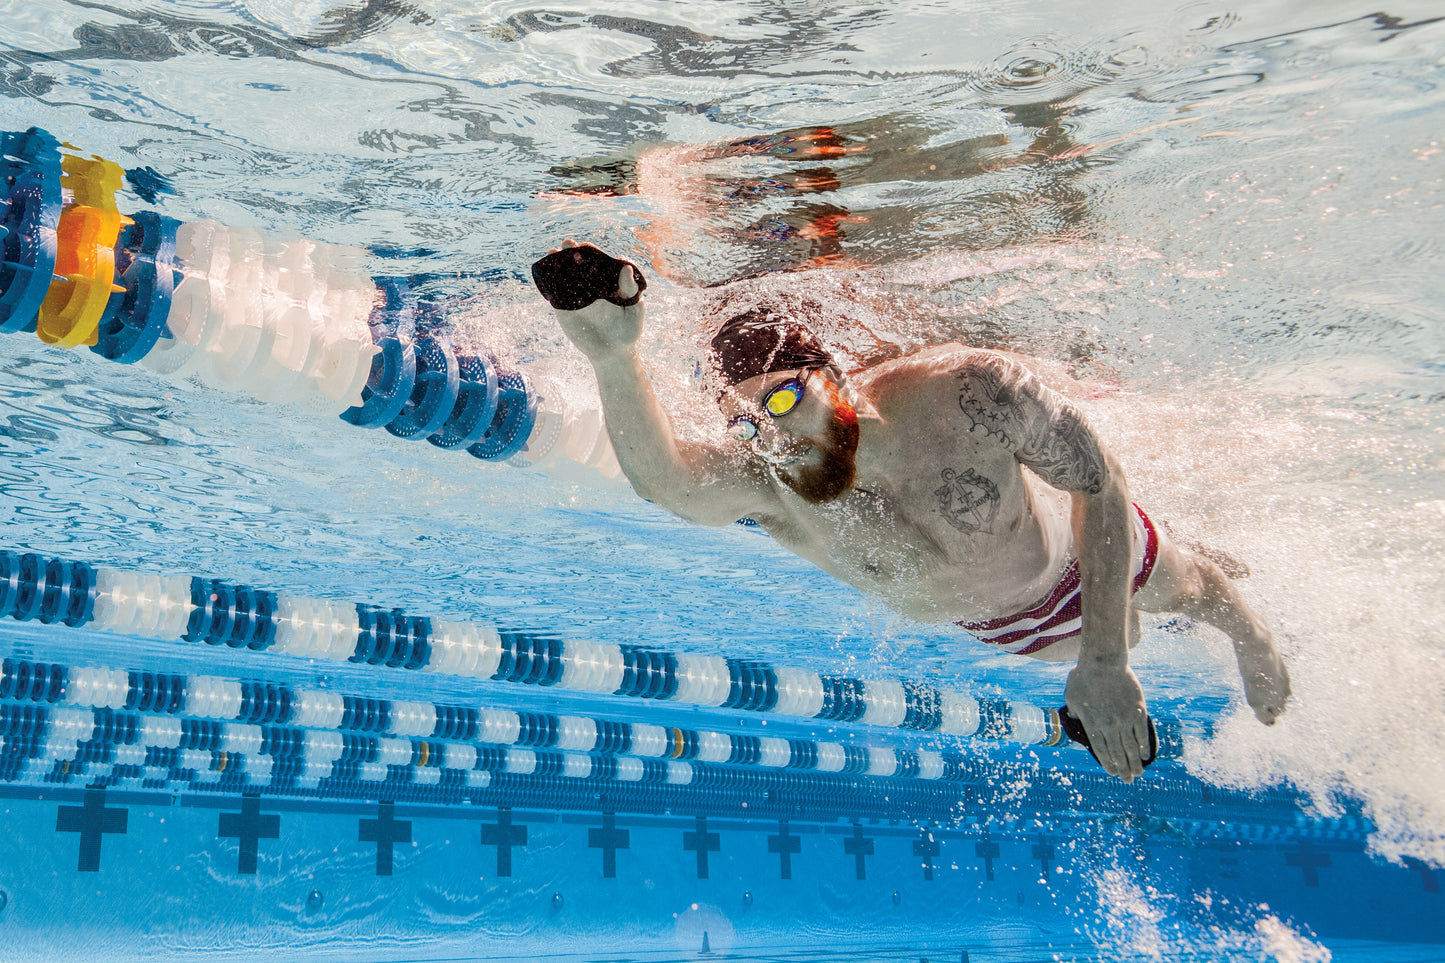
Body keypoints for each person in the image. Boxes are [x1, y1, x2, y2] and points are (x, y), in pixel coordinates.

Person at [540, 241, 1291, 783]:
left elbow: (1099, 480)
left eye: (779, 399)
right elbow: (665, 481)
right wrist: (612, 357)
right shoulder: (771, 477)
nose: (771, 434)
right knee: (1121, 630)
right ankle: (1123, 632)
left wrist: (1104, 664)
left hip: (1072, 556)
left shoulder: (963, 392)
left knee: (1184, 591)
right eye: (747, 422)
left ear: (833, 375)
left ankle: (1247, 627)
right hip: (1003, 628)